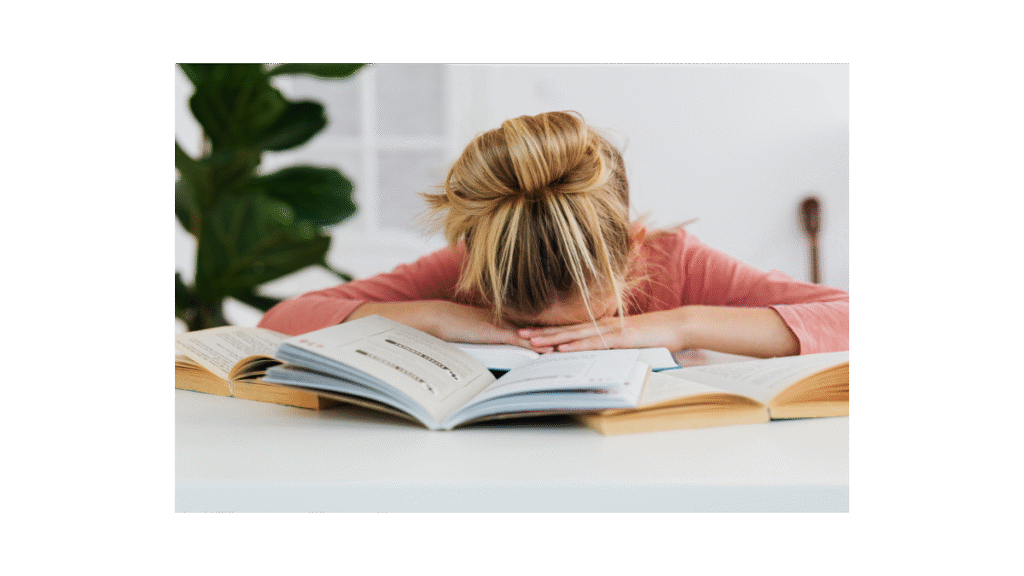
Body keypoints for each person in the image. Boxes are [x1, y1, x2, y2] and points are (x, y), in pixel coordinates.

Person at [258, 111, 848, 358]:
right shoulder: (468, 268)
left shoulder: (677, 264)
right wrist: (435, 316)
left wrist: (681, 323)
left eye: (591, 328)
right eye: (530, 328)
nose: (556, 348)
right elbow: (283, 319)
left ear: (633, 246)